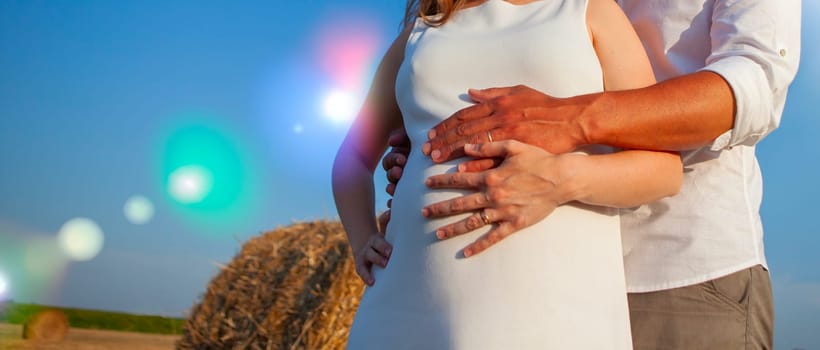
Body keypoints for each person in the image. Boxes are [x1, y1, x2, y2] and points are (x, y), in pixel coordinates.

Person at [381, 0, 802, 348]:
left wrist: (573, 120)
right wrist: (430, 151)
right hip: (536, 280)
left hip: (681, 272)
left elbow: (755, 80)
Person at [333, 0, 683, 348]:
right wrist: (362, 238)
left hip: (551, 303)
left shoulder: (588, 10)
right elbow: (352, 157)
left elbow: (664, 169)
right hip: (403, 303)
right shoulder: (421, 33)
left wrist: (559, 180)